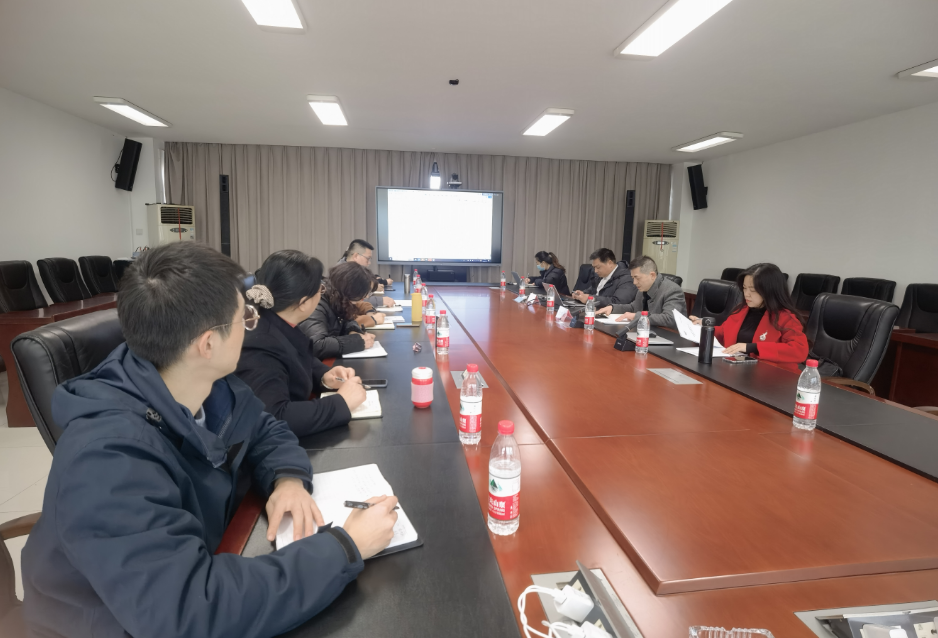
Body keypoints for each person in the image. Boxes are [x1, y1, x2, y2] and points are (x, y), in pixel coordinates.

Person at [22, 243, 398, 638]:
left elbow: (265, 428)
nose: (252, 327)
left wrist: (287, 478)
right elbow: (191, 612)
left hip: (202, 559)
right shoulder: (106, 462)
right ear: (207, 344)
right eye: (245, 318)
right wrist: (344, 547)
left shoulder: (202, 381)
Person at [236, 250, 368, 438]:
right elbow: (274, 416)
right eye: (320, 289)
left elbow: (296, 357)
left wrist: (324, 376)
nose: (322, 292)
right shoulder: (259, 345)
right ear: (303, 303)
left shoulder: (275, 320)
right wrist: (342, 403)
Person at [690, 263, 808, 370]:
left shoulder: (785, 317)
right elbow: (724, 332)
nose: (746, 294)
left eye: (753, 290)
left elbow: (799, 350)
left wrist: (752, 347)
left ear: (769, 291)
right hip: (737, 370)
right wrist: (705, 327)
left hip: (772, 376)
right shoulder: (741, 309)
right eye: (744, 288)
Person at [300, 261, 380, 359]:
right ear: (350, 289)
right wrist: (357, 342)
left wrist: (353, 332)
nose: (366, 296)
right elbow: (317, 345)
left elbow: (347, 320)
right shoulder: (317, 303)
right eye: (365, 292)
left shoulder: (338, 299)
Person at [596, 255, 686, 328]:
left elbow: (670, 318)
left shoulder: (672, 290)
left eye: (637, 278)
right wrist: (612, 308)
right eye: (633, 278)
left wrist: (636, 316)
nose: (634, 282)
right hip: (646, 331)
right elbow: (633, 307)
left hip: (669, 337)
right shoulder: (643, 287)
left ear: (652, 275)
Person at [571, 248, 637, 307]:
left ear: (610, 263)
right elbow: (592, 290)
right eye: (594, 267)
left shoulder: (626, 279)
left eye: (598, 267)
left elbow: (618, 302)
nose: (595, 271)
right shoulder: (601, 276)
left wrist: (592, 299)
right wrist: (581, 294)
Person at [340, 239, 395, 307]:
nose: (369, 263)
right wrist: (380, 301)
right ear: (356, 256)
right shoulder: (343, 273)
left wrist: (371, 287)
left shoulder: (351, 270)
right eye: (368, 258)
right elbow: (352, 301)